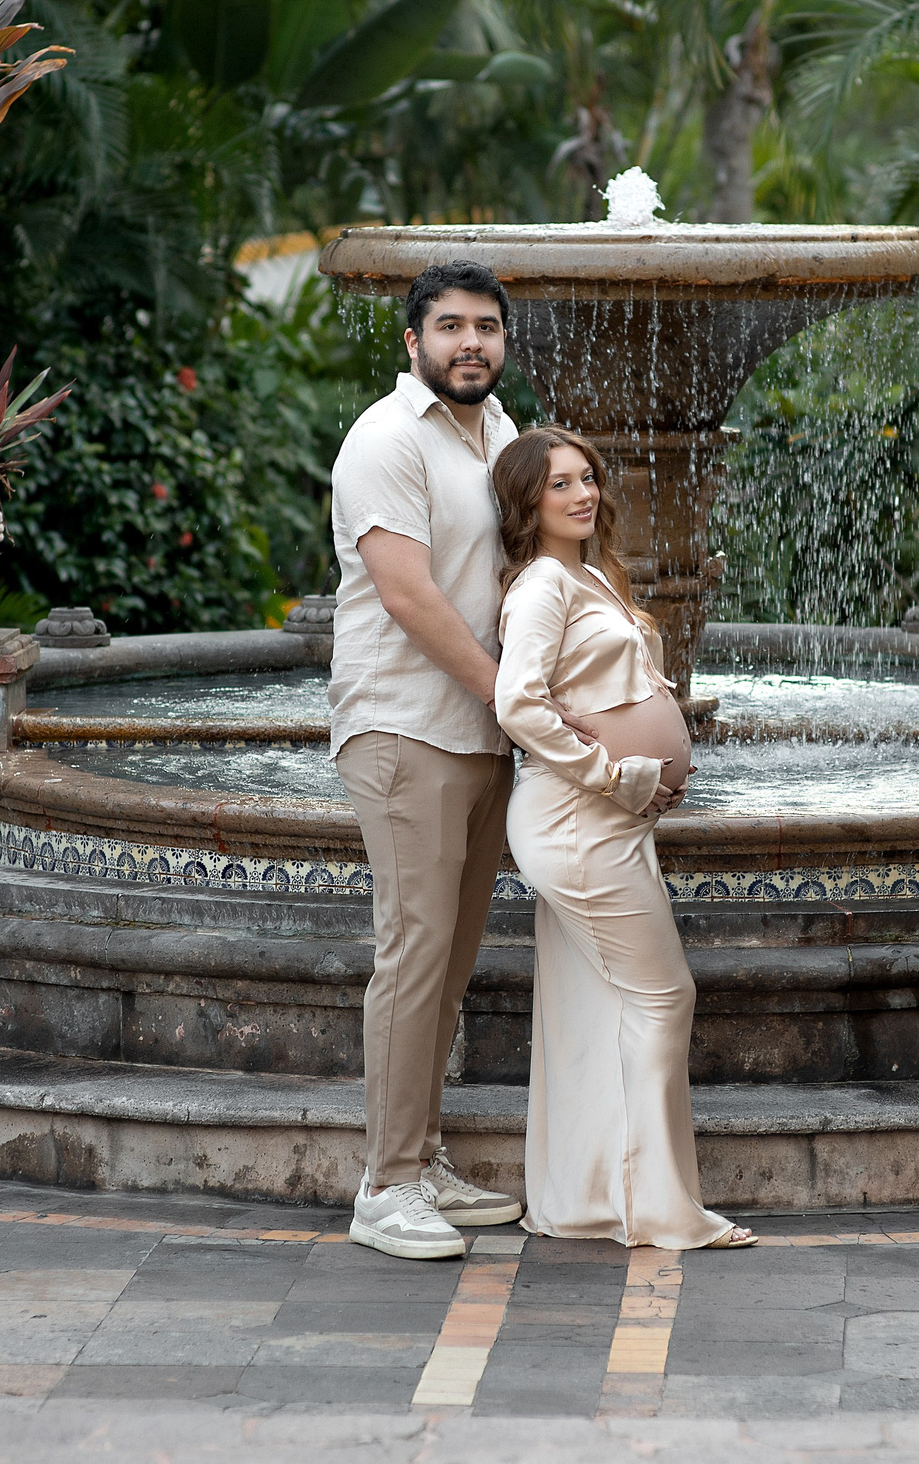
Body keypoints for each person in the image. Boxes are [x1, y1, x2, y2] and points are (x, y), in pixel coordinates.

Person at [488, 425, 757, 1250]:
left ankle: (583, 1202)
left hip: (607, 820)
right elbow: (517, 704)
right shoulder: (541, 585)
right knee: (662, 995)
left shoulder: (593, 576)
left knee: (591, 1006)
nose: (581, 494)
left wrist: (649, 777)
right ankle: (663, 1208)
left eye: (587, 479)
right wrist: (618, 774)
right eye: (559, 484)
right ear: (527, 502)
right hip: (577, 819)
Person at [329, 259, 533, 1260]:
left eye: (486, 326)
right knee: (412, 958)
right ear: (412, 341)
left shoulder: (495, 435)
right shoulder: (385, 438)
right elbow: (406, 595)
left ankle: (422, 1152)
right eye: (449, 325)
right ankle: (384, 1185)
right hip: (404, 725)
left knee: (448, 965)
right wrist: (511, 694)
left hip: (483, 732)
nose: (470, 342)